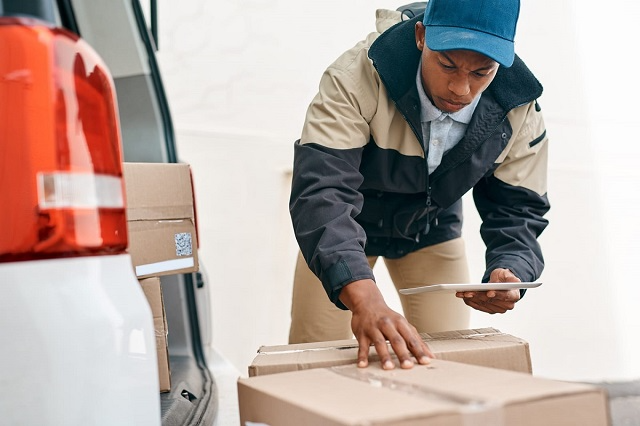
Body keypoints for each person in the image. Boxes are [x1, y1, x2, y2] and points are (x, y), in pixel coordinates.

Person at [288, 0, 550, 370]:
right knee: (313, 362)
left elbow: (519, 208)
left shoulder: (518, 107)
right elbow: (321, 191)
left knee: (444, 361)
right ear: (421, 36)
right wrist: (363, 296)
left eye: (482, 72)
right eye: (448, 65)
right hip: (344, 229)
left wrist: (512, 269)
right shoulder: (355, 76)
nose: (461, 89)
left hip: (431, 229)